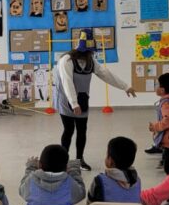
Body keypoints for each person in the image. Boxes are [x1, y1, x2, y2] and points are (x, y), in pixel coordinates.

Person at [54, 35, 136, 170]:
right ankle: (63, 161)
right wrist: (74, 103)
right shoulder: (66, 60)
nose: (90, 54)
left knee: (82, 130)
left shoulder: (90, 61)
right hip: (65, 99)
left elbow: (105, 74)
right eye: (88, 51)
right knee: (68, 130)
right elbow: (67, 82)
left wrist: (125, 86)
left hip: (83, 98)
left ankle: (79, 160)